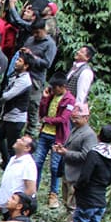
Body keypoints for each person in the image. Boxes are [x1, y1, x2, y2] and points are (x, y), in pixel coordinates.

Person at [34, 74, 75, 208]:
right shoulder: (51, 95)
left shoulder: (69, 100)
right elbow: (42, 112)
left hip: (58, 137)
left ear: (63, 87)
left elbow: (63, 119)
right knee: (37, 162)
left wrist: (47, 120)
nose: (53, 90)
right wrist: (45, 99)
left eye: (55, 88)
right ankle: (33, 191)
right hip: (45, 133)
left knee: (54, 167)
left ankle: (53, 194)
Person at [54, 103, 98, 222]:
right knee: (66, 201)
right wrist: (62, 149)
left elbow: (86, 156)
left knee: (73, 204)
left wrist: (66, 152)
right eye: (72, 118)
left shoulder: (89, 135)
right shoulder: (75, 129)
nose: (73, 120)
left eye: (77, 118)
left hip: (77, 174)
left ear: (86, 118)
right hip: (67, 171)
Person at [0, 54, 32, 167]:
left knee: (12, 145)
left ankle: (13, 165)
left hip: (16, 117)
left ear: (26, 66)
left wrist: (1, 96)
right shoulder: (16, 76)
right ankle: (7, 161)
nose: (16, 62)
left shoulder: (24, 80)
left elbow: (8, 95)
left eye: (19, 61)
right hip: (9, 115)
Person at [0, 136, 37, 207]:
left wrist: (17, 205)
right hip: (6, 205)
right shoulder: (13, 159)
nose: (17, 139)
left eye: (22, 140)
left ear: (27, 148)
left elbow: (31, 189)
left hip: (15, 207)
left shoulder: (29, 164)